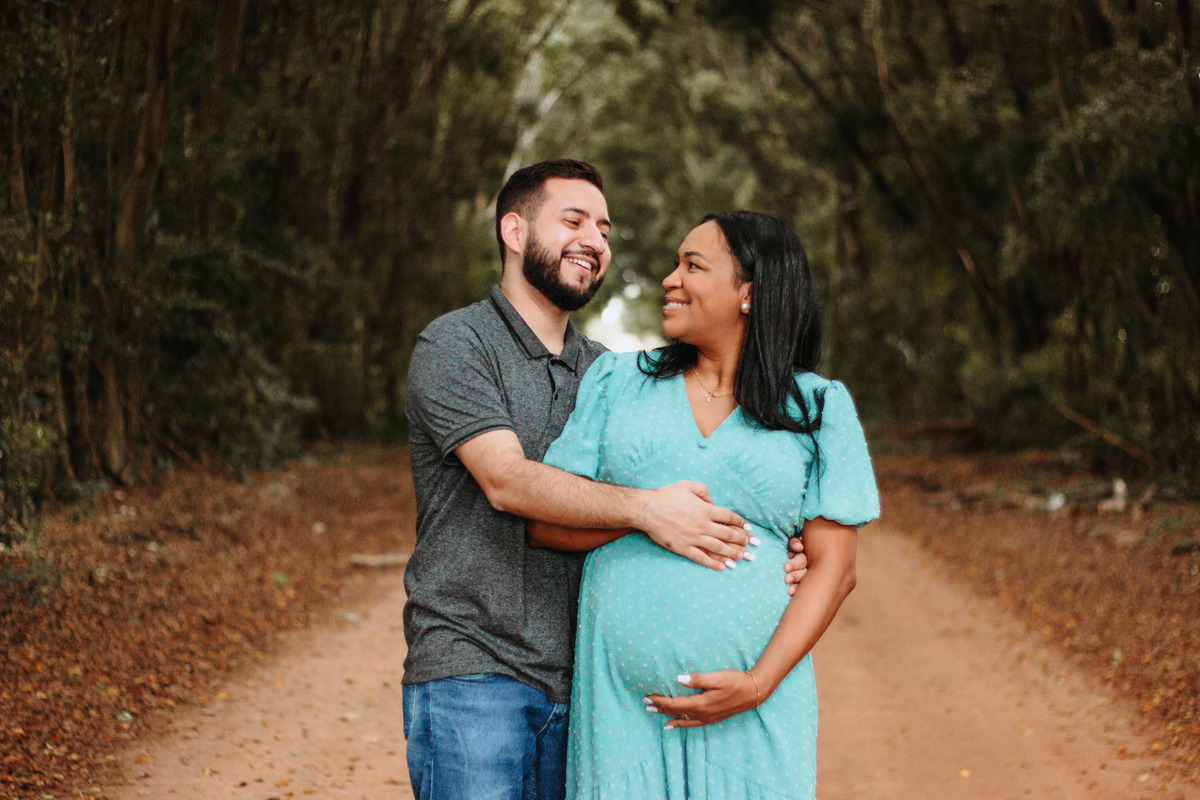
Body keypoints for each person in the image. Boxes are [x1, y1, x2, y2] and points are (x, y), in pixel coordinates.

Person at [404, 161, 807, 800]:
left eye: (604, 227)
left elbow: (704, 484)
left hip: (593, 691)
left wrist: (780, 546)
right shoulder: (458, 345)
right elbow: (507, 481)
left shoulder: (618, 375)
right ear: (514, 230)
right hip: (475, 674)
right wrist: (646, 509)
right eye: (574, 220)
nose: (596, 240)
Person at [528, 211, 880, 798]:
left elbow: (834, 568)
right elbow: (544, 522)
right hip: (622, 716)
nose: (670, 278)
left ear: (751, 292)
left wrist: (758, 684)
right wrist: (644, 516)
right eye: (675, 262)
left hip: (756, 715)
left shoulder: (818, 407)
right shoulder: (617, 382)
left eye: (693, 265)